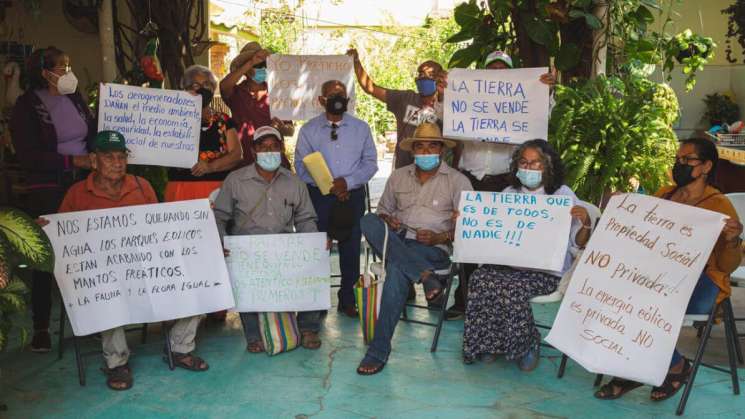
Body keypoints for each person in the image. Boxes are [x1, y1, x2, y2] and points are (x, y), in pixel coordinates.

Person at [44, 130, 209, 390]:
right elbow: (64, 239)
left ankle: (179, 346)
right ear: (94, 160)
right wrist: (46, 229)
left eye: (121, 156)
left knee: (204, 282)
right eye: (108, 157)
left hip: (144, 268)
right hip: (103, 275)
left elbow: (158, 227)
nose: (117, 162)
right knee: (102, 291)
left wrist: (195, 227)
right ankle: (117, 361)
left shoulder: (141, 186)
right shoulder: (78, 193)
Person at [594, 137, 743, 402]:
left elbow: (727, 266)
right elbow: (642, 232)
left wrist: (733, 240)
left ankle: (668, 367)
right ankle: (647, 365)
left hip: (703, 282)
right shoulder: (664, 194)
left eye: (688, 160)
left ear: (707, 166)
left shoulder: (719, 205)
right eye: (678, 160)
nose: (680, 165)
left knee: (644, 304)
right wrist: (623, 209)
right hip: (658, 277)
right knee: (619, 295)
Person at [462, 139, 591, 371]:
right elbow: (493, 231)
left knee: (512, 288)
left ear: (548, 166)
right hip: (510, 265)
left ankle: (528, 344)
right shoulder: (509, 193)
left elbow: (577, 243)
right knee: (480, 279)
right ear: (516, 166)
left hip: (545, 270)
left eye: (536, 163)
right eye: (524, 162)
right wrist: (467, 221)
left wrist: (586, 223)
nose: (529, 168)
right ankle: (490, 343)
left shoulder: (563, 195)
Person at [447, 50, 557, 320]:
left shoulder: (522, 96)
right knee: (469, 241)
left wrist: (546, 92)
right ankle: (464, 300)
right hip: (470, 180)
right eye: (491, 68)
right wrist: (444, 91)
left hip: (504, 182)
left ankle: (494, 301)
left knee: (501, 243)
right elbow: (445, 117)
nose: (497, 72)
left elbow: (543, 115)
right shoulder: (468, 95)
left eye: (502, 69)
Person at [356, 122, 473, 375]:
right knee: (367, 220)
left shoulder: (458, 181)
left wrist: (441, 235)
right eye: (420, 146)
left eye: (432, 145)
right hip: (396, 240)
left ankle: (378, 350)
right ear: (413, 150)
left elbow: (470, 229)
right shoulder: (398, 175)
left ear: (441, 149)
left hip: (433, 250)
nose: (426, 150)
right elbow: (382, 212)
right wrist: (389, 219)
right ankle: (424, 276)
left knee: (397, 269)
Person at [10, 46, 95, 353]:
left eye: (68, 66)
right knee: (47, 258)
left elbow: (92, 133)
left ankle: (92, 319)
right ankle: (42, 326)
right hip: (48, 187)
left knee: (87, 254)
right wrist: (74, 162)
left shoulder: (74, 99)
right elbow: (30, 156)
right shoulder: (27, 106)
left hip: (85, 185)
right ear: (44, 72)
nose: (68, 73)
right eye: (62, 68)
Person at [213, 126, 324, 351]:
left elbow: (305, 219)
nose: (269, 151)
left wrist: (313, 243)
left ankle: (308, 328)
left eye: (274, 146)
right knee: (243, 273)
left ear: (282, 149)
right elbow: (219, 216)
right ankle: (254, 336)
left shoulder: (295, 183)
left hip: (284, 249)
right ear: (254, 151)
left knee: (316, 263)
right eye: (263, 147)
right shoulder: (235, 180)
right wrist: (222, 242)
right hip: (247, 251)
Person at [295, 80, 378, 318]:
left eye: (341, 94)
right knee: (318, 247)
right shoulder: (308, 130)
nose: (337, 98)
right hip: (320, 197)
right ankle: (318, 302)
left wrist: (347, 183)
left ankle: (348, 299)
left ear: (348, 100)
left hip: (351, 196)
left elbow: (370, 163)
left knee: (351, 248)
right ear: (321, 100)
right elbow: (301, 166)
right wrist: (330, 187)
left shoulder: (361, 128)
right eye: (331, 95)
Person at [347, 48, 446, 169]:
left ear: (439, 79)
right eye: (421, 74)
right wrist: (356, 62)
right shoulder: (404, 99)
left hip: (435, 169)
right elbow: (371, 88)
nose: (424, 77)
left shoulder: (447, 106)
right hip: (404, 168)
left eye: (431, 74)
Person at [219, 41, 293, 167]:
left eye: (265, 64)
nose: (262, 68)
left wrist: (281, 128)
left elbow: (290, 131)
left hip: (275, 165)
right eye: (257, 65)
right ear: (246, 70)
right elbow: (223, 86)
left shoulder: (278, 93)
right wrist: (250, 62)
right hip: (244, 165)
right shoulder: (236, 93)